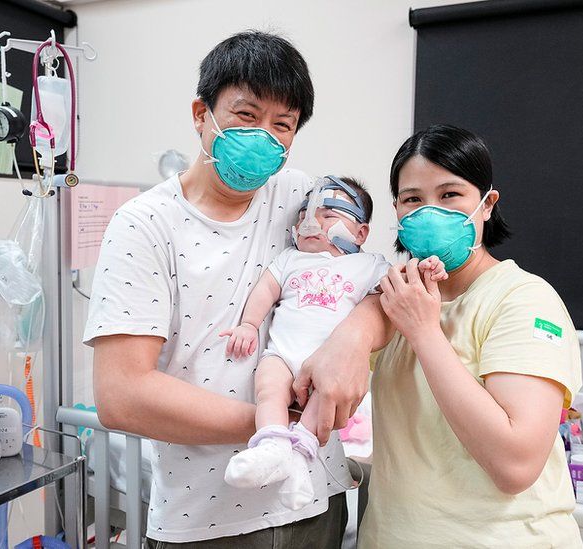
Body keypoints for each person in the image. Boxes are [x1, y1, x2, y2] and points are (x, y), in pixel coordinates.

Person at [84, 31, 389, 548]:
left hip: (317, 500)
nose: (264, 137)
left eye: (283, 125)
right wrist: (277, 431)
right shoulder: (145, 225)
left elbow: (369, 286)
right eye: (247, 116)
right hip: (207, 519)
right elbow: (121, 396)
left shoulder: (300, 196)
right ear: (202, 113)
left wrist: (354, 340)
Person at [359, 124, 583, 548]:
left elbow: (514, 465)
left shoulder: (523, 299)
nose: (429, 212)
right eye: (413, 200)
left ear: (486, 204)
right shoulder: (399, 295)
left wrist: (424, 332)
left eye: (449, 195)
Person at [220, 176, 419, 511]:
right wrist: (249, 324)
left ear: (360, 234)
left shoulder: (367, 265)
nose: (311, 222)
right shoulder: (289, 259)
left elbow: (392, 288)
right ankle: (272, 445)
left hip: (329, 364)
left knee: (320, 404)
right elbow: (266, 291)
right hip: (281, 354)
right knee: (268, 389)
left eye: (329, 215)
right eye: (304, 216)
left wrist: (421, 269)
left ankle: (299, 459)